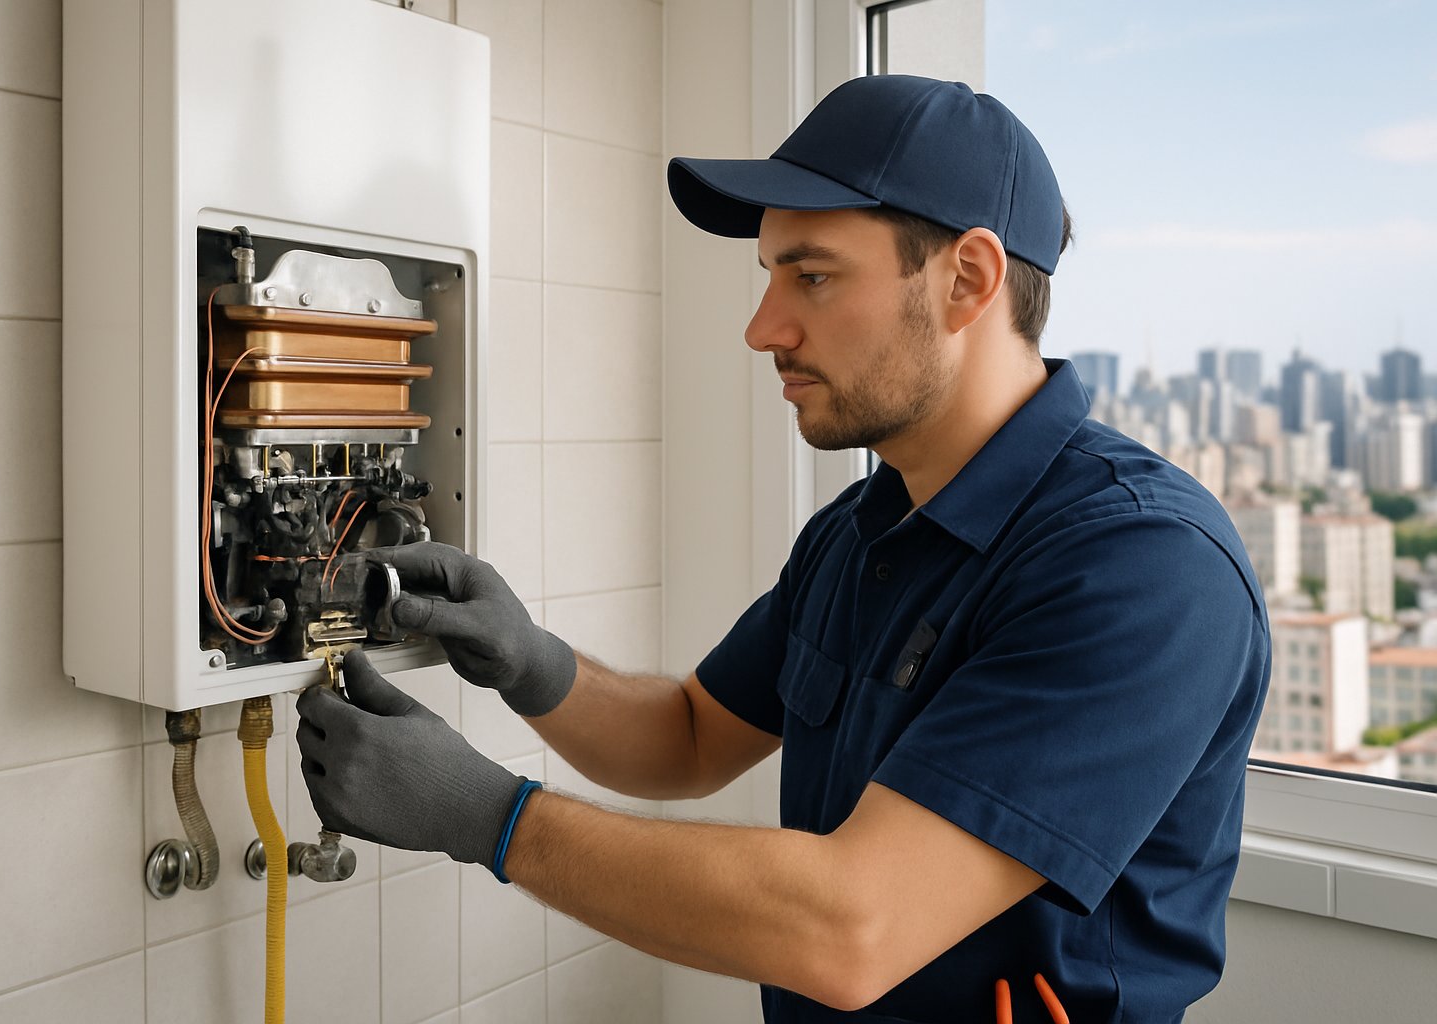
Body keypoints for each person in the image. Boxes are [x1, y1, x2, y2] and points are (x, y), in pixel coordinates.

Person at [297, 75, 1269, 1022]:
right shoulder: (859, 532)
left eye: (813, 276)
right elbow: (687, 737)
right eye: (769, 276)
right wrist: (529, 660)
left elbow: (852, 928)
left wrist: (489, 817)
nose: (763, 328)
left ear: (968, 279)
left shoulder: (1142, 565)